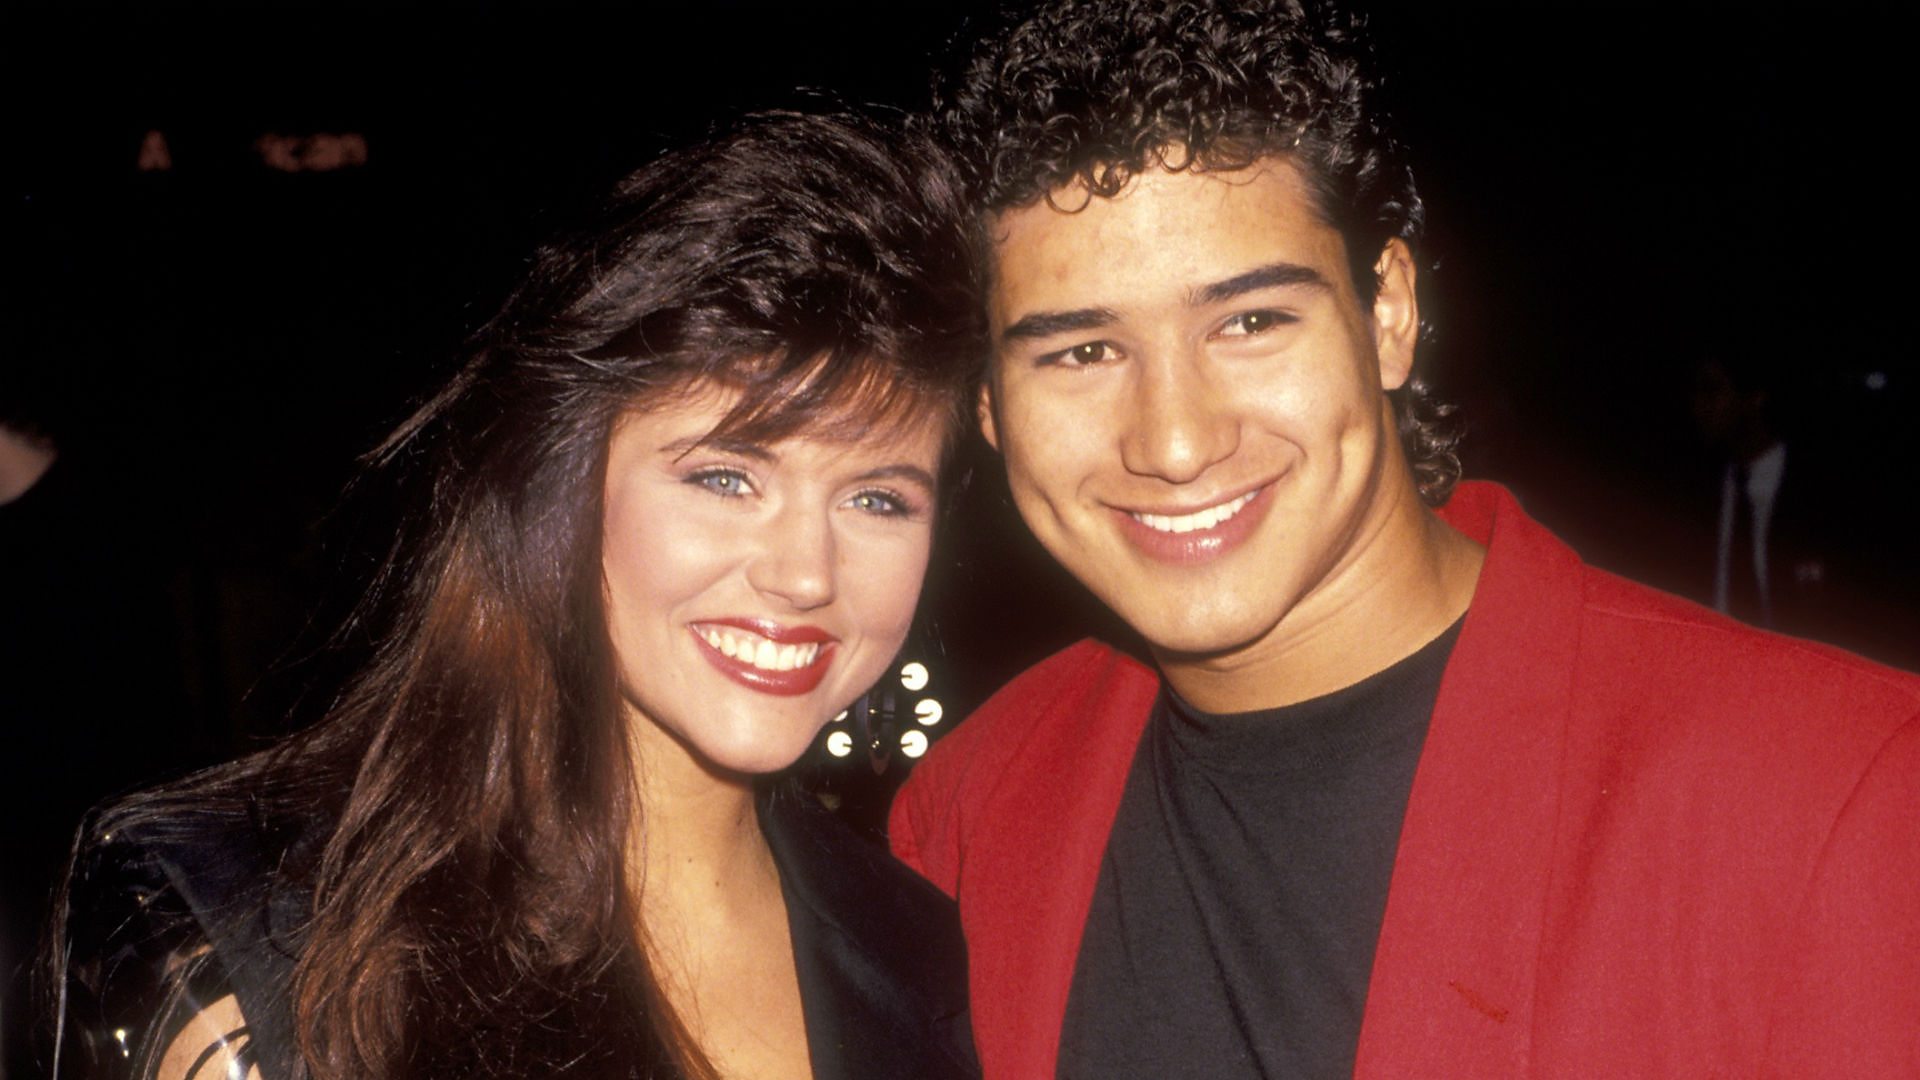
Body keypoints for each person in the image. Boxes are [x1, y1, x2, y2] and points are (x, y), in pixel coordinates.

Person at [888, 1, 1920, 1076]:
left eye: (1250, 323)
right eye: (1083, 352)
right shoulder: (966, 818)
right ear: (990, 406)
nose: (1178, 442)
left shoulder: (1837, 794)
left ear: (1388, 313)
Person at [49, 110, 981, 1080]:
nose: (805, 573)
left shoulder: (911, 948)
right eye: (724, 477)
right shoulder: (260, 939)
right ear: (566, 486)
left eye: (877, 498)